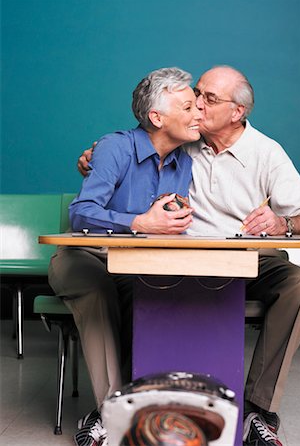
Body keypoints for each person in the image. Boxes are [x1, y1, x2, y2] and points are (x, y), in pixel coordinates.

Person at [78, 65, 300, 446]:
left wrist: (282, 223)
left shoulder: (266, 152)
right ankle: (120, 407)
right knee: (129, 285)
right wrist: (96, 156)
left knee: (297, 283)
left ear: (237, 112)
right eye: (195, 95)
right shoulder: (183, 140)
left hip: (242, 254)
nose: (197, 104)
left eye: (208, 99)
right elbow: (149, 129)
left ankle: (256, 410)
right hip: (172, 255)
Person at [49, 66, 201, 446]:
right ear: (157, 117)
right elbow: (81, 212)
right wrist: (138, 222)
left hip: (136, 263)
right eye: (188, 106)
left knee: (160, 292)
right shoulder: (115, 147)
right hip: (85, 256)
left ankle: (142, 404)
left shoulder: (185, 162)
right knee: (99, 289)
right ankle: (109, 414)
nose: (198, 113)